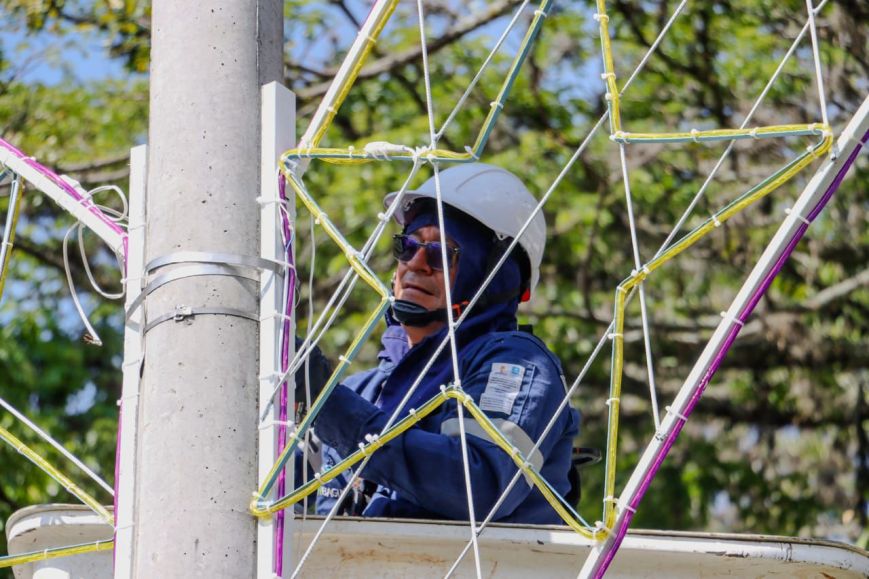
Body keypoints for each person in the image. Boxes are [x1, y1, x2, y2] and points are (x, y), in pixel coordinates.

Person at [297, 162, 580, 523]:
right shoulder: (363, 391)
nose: (415, 263)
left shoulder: (517, 365)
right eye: (407, 245)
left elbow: (480, 485)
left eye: (441, 253)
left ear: (494, 277)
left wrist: (329, 406)